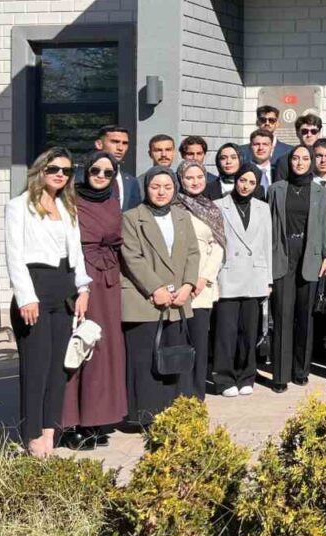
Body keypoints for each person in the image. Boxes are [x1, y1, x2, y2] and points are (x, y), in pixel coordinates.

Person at [4, 148, 91, 456]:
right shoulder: (18, 206)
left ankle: (49, 432)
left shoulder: (67, 206)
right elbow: (14, 255)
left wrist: (83, 289)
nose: (60, 175)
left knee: (59, 368)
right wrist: (26, 297)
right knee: (36, 368)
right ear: (40, 169)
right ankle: (31, 436)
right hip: (36, 288)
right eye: (54, 168)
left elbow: (76, 252)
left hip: (65, 288)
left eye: (66, 171)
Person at [119, 168, 201, 428]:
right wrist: (155, 288)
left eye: (167, 186)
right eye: (156, 186)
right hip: (145, 300)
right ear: (146, 187)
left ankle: (173, 412)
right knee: (145, 360)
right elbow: (132, 257)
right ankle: (145, 415)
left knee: (174, 357)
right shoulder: (131, 218)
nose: (162, 191)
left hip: (178, 299)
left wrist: (188, 285)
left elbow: (193, 252)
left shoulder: (181, 216)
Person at [61, 150, 128, 449]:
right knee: (79, 347)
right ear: (85, 171)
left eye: (108, 172)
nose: (101, 177)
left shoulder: (113, 201)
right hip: (82, 277)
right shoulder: (70, 201)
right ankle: (69, 423)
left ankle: (97, 418)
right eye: (95, 171)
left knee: (104, 350)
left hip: (109, 280)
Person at [267, 145, 326, 392]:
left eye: (306, 158)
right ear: (289, 161)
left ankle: (301, 370)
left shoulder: (320, 192)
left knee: (306, 317)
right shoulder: (275, 190)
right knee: (282, 316)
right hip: (282, 256)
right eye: (296, 157)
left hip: (310, 257)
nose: (300, 162)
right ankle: (280, 375)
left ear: (312, 162)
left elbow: (325, 226)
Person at [213, 166, 271, 396]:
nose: (245, 185)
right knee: (226, 332)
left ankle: (247, 375)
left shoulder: (263, 208)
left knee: (249, 332)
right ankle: (224, 379)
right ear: (235, 181)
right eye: (242, 180)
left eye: (251, 182)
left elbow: (267, 243)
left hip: (254, 275)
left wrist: (268, 278)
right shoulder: (219, 205)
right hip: (228, 274)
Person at [173, 162, 225, 401]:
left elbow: (219, 247)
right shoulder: (172, 206)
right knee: (177, 341)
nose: (195, 181)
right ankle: (178, 392)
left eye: (199, 177)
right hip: (175, 284)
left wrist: (203, 278)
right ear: (180, 180)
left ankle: (196, 394)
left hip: (201, 287)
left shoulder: (212, 209)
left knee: (199, 342)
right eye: (189, 177)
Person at [93, 125, 141, 209]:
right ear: (99, 144)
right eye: (115, 142)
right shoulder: (81, 178)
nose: (120, 148)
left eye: (125, 143)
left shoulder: (131, 182)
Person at [272, 114, 323, 181]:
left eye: (313, 131)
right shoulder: (285, 160)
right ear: (297, 133)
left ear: (318, 133)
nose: (309, 135)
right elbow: (279, 188)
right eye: (304, 131)